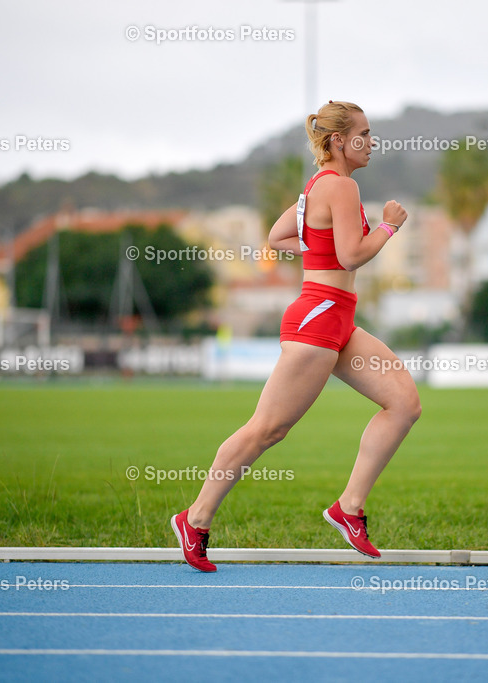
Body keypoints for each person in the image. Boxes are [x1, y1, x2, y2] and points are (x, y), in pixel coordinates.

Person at [171, 101, 422, 572]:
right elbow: (351, 256)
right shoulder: (342, 186)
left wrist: (318, 250)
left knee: (404, 403)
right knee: (268, 429)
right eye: (363, 135)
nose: (371, 143)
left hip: (336, 316)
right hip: (318, 319)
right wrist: (388, 224)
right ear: (337, 142)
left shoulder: (319, 187)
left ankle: (348, 508)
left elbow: (278, 236)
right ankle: (195, 518)